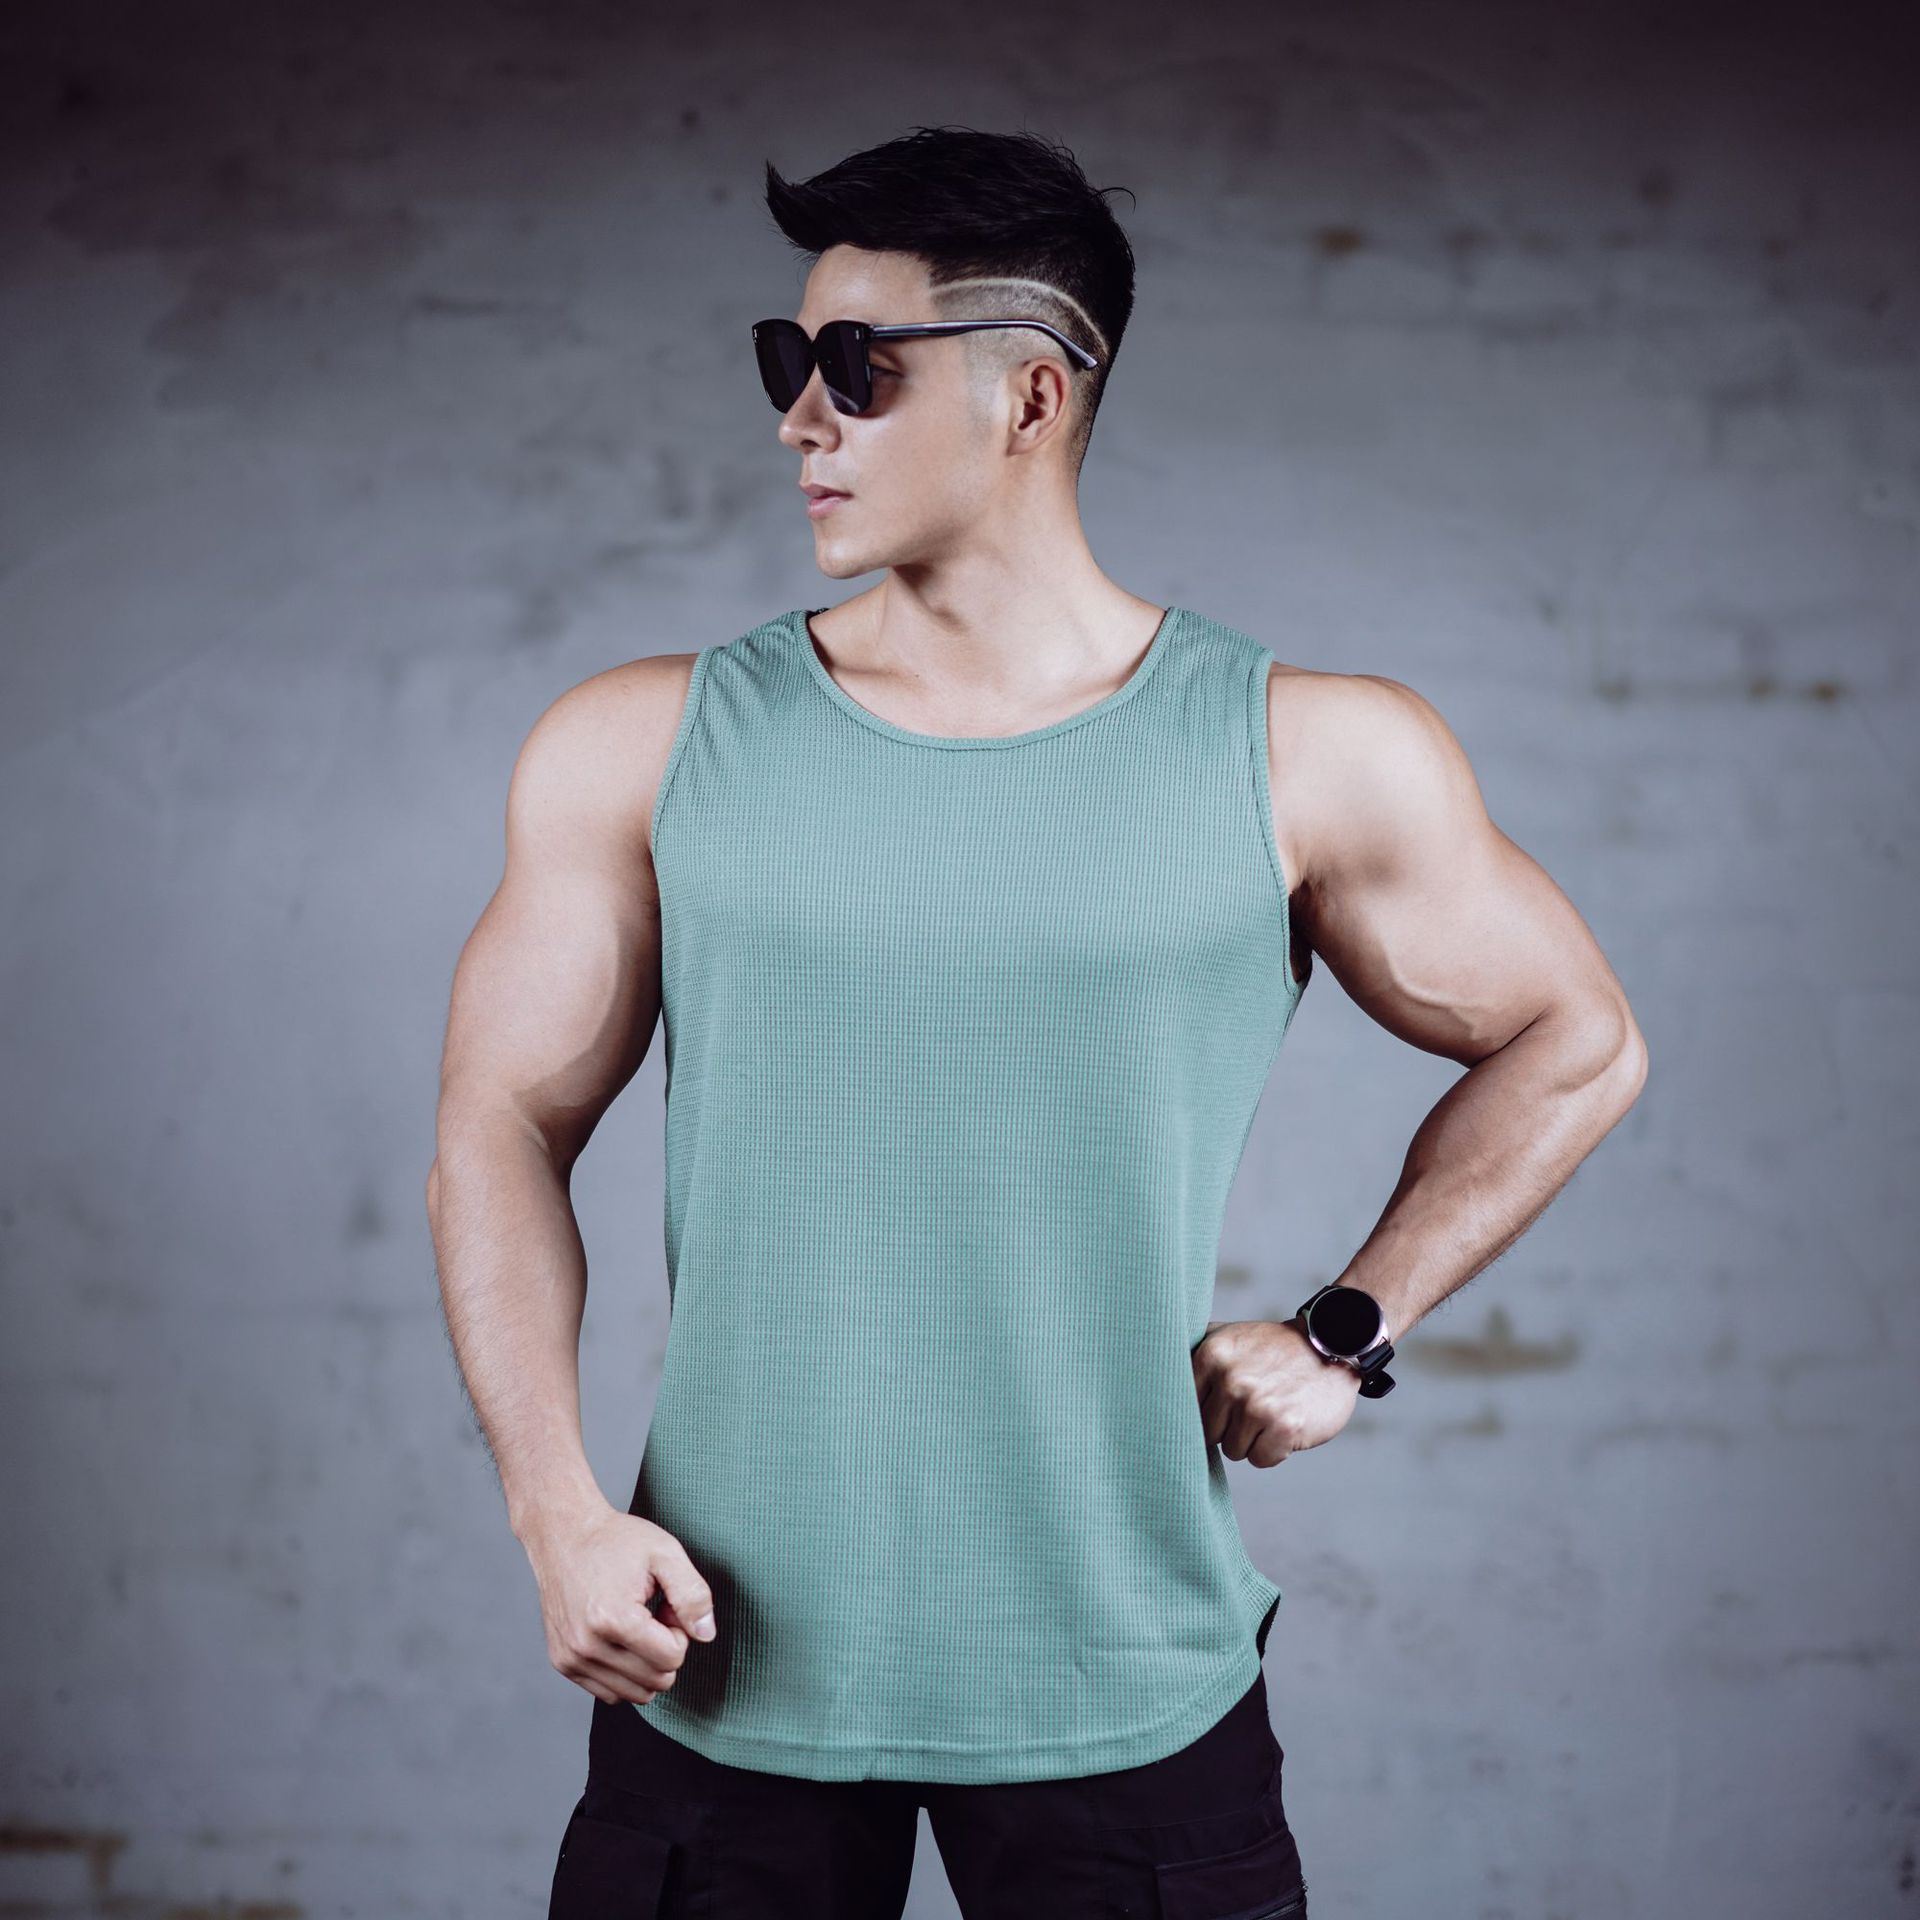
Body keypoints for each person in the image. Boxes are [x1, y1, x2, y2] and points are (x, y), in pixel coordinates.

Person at [426, 124, 1648, 1919]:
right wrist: (555, 1512)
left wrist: (1347, 1329)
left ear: (1031, 394)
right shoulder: (641, 744)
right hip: (718, 1666)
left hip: (1127, 1669)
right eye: (785, 362)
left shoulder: (1307, 752)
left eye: (856, 367)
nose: (800, 419)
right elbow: (499, 1121)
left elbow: (1577, 1038)